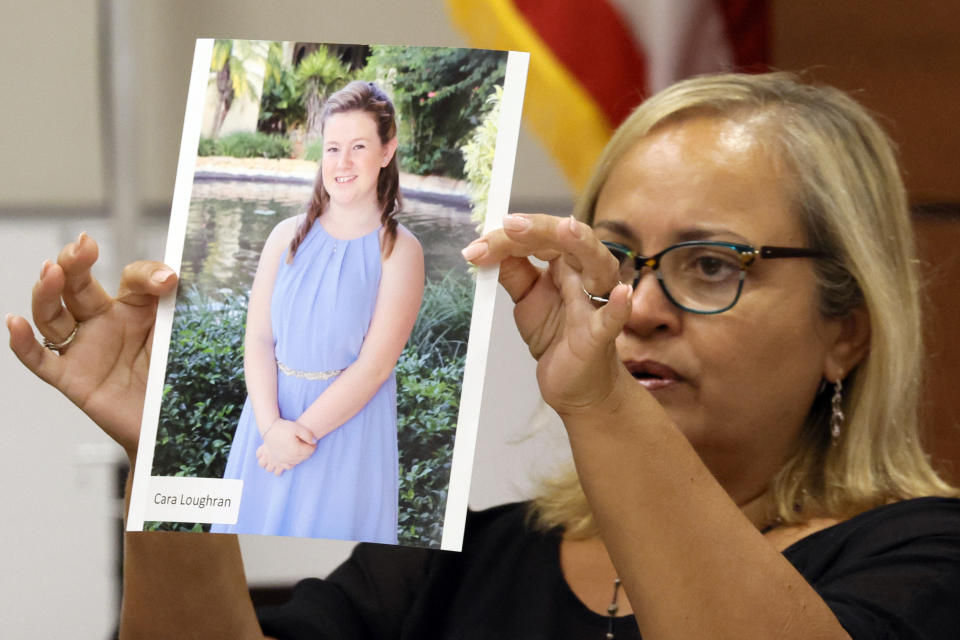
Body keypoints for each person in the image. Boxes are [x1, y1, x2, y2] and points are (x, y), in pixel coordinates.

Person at [8, 72, 960, 638]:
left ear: (848, 327)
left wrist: (599, 403)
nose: (638, 309)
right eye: (615, 259)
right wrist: (178, 454)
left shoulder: (924, 560)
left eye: (711, 266)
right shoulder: (466, 562)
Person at [207, 81, 425, 542]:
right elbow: (260, 341)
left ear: (387, 152)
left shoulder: (400, 251)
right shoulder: (284, 236)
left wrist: (298, 437)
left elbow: (375, 366)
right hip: (268, 424)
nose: (342, 162)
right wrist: (272, 431)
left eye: (359, 147)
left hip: (344, 430)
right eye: (332, 148)